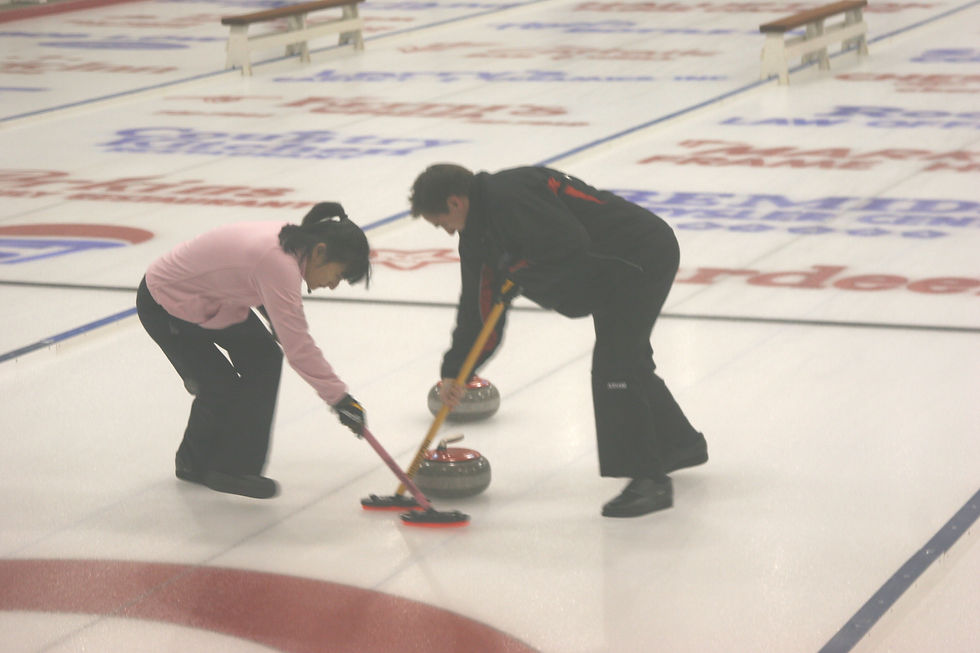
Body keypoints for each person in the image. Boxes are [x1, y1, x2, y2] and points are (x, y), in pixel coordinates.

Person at [409, 164, 708, 518]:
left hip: (638, 256)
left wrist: (516, 267)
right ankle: (678, 444)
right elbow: (479, 308)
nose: (446, 231)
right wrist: (456, 372)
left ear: (455, 202)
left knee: (616, 366)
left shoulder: (510, 195)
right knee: (628, 360)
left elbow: (568, 243)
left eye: (442, 222)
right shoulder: (477, 236)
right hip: (609, 270)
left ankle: (650, 480)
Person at [136, 202, 371, 499]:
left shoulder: (291, 242)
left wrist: (274, 318)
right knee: (218, 385)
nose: (333, 285)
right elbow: (299, 347)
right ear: (321, 251)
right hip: (167, 302)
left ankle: (223, 464)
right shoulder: (280, 262)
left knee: (264, 357)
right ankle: (210, 467)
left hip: (215, 299)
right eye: (338, 275)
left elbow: (249, 275)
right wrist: (341, 399)